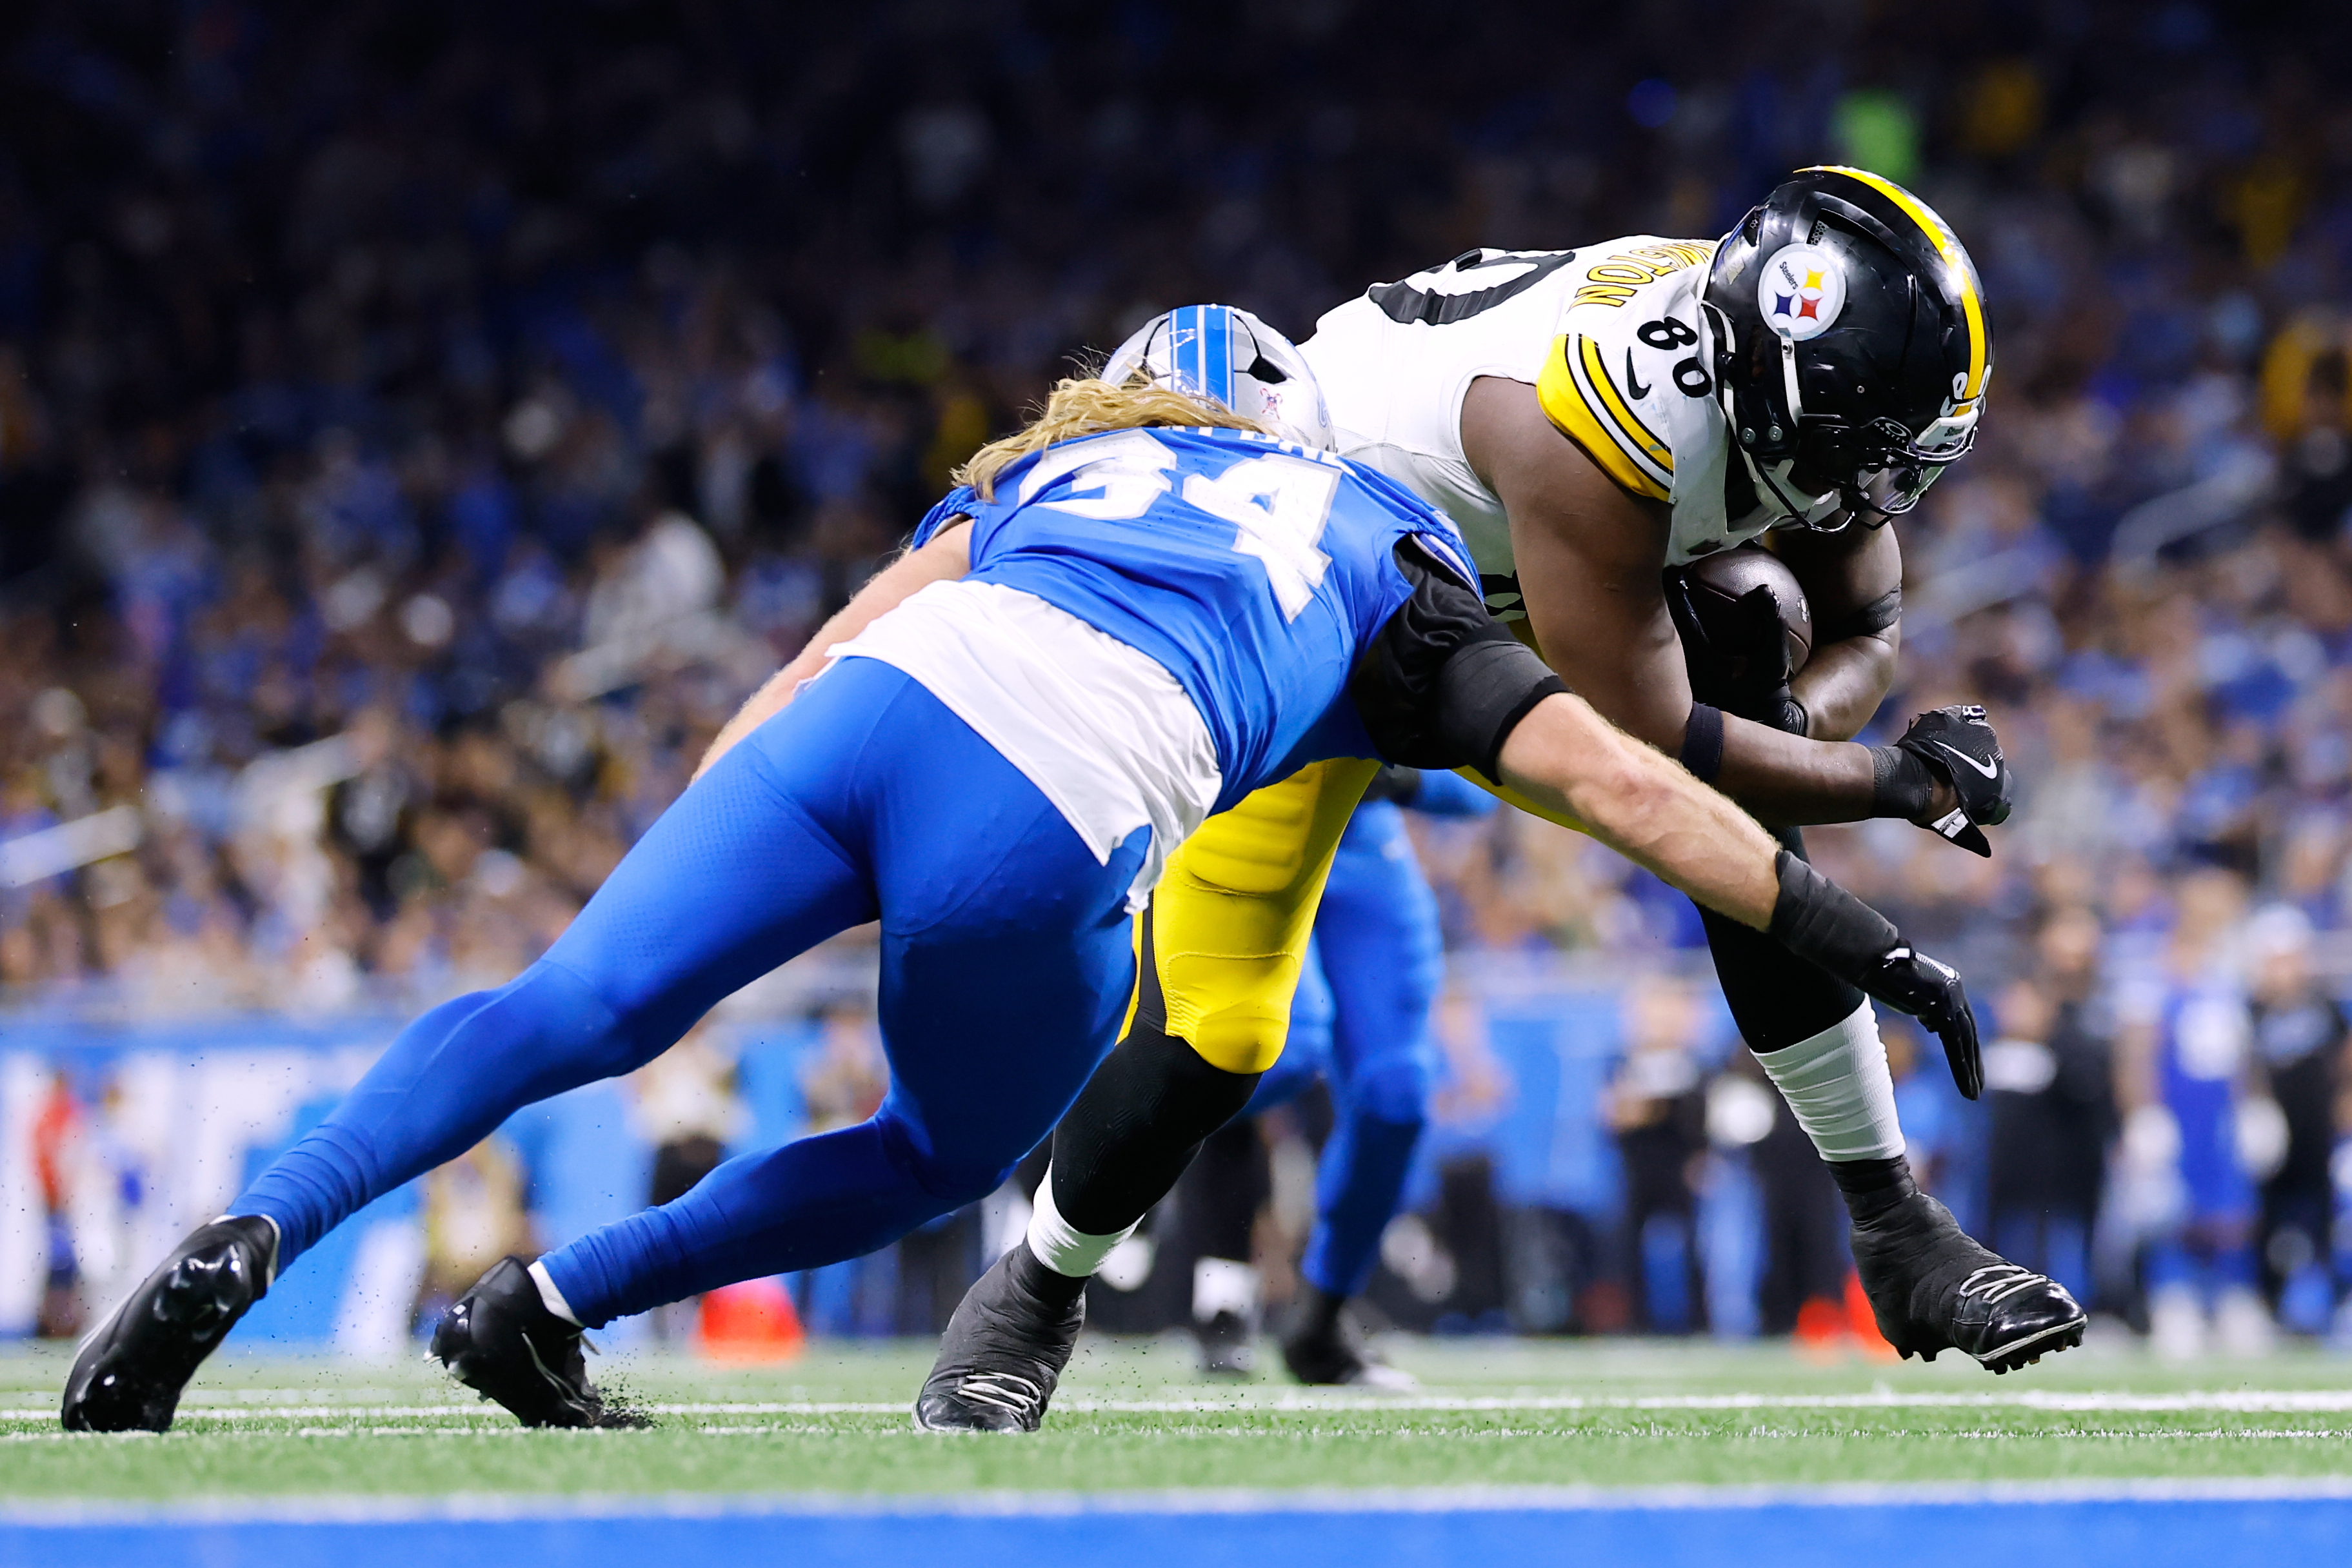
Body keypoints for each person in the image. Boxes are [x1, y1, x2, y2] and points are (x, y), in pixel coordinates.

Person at [60, 306, 1980, 1434]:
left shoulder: (1038, 471)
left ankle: (251, 1232)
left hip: (865, 715)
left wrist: (718, 844)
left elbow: (825, 653)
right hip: (1050, 795)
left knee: (570, 1005)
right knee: (942, 1157)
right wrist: (1845, 923)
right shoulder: (1384, 541)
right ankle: (550, 1305)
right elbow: (1628, 785)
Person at [920, 168, 2081, 1431]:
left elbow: (1865, 613)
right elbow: (1657, 745)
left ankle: (1895, 1231)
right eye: (1862, 446)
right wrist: (1891, 780)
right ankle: (1031, 1295)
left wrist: (1797, 723)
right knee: (1226, 1030)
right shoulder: (1590, 423)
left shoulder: (1771, 358)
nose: (1877, 488)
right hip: (1310, 605)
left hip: (1476, 613)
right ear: (1776, 385)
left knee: (1734, 845)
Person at [1177, 763, 1494, 1384]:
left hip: (1363, 839)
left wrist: (1399, 775)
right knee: (1279, 1054)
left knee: (1397, 1096)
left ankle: (1322, 1317)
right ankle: (1123, 1149)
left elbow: (1488, 781)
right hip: (1245, 823)